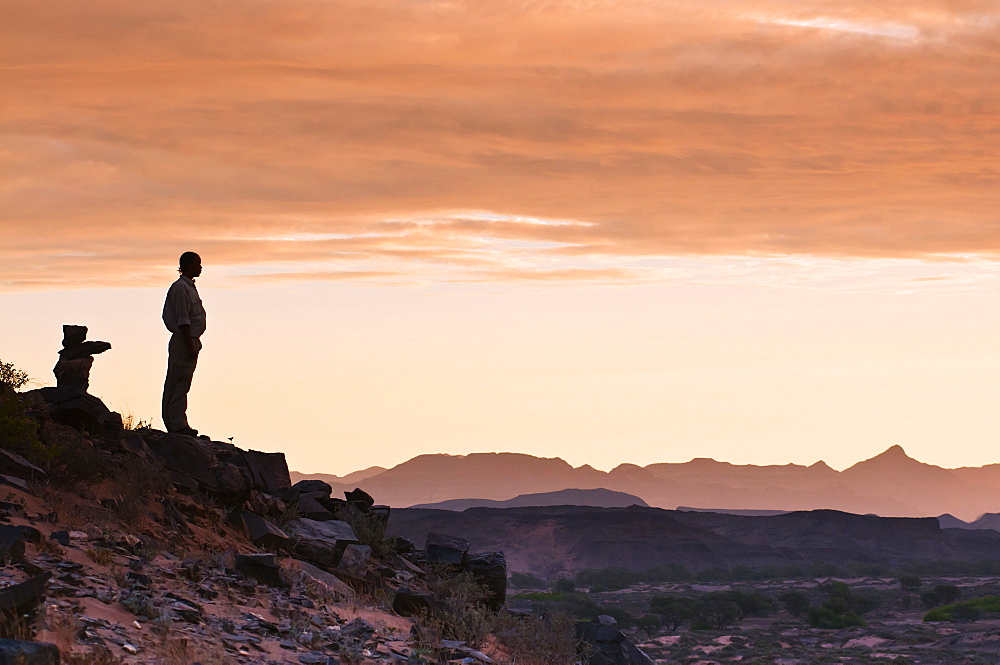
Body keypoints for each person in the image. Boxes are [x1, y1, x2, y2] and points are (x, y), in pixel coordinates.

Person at [161, 251, 206, 436]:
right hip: (184, 340)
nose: (200, 267)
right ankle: (178, 424)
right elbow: (183, 319)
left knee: (178, 381)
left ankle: (174, 423)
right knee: (179, 382)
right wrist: (189, 345)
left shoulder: (188, 287)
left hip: (189, 340)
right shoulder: (181, 288)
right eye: (197, 263)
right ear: (187, 265)